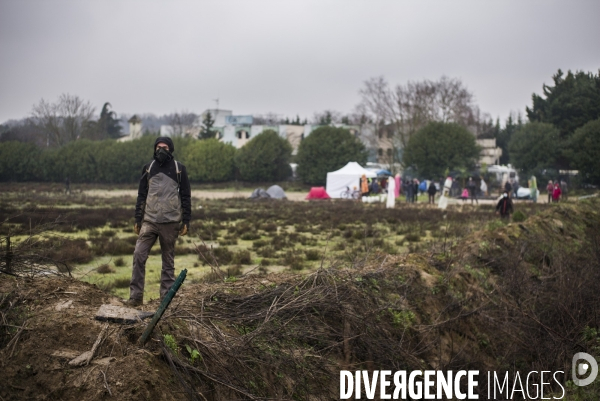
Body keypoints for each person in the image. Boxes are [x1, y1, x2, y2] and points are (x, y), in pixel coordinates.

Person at [126, 137, 192, 306]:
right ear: (154, 149)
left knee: (168, 262)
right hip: (149, 220)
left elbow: (185, 196)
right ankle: (135, 297)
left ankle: (165, 299)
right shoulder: (148, 168)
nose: (161, 150)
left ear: (171, 149)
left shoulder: (179, 169)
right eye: (158, 147)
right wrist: (137, 219)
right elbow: (141, 194)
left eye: (165, 147)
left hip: (171, 222)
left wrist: (186, 221)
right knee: (138, 255)